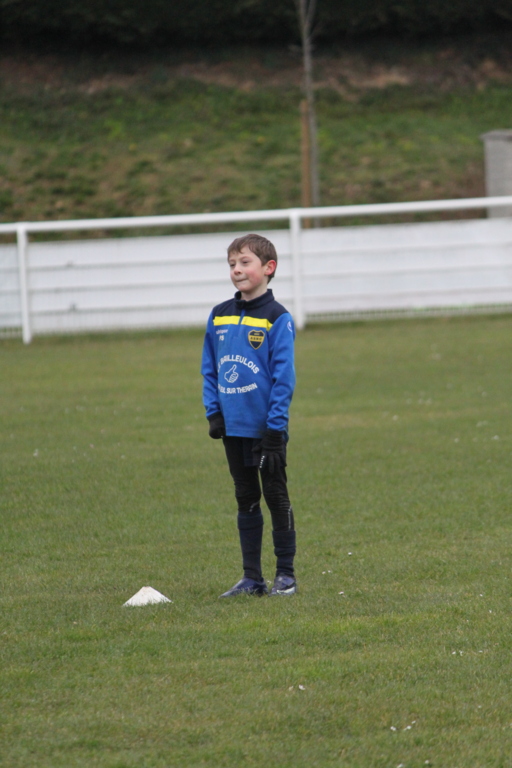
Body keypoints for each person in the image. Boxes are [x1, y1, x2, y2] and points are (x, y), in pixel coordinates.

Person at [201, 233, 297, 597]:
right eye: (232, 264)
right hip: (233, 428)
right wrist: (214, 412)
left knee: (276, 497)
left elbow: (284, 378)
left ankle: (285, 576)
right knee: (245, 498)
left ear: (269, 268)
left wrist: (275, 429)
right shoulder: (219, 315)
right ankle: (252, 578)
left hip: (265, 431)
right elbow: (209, 368)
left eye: (245, 263)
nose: (237, 270)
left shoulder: (277, 318)